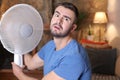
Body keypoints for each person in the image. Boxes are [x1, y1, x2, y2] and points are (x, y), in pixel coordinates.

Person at [12, 2, 91, 80]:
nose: (59, 21)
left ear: (73, 28)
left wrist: (19, 74)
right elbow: (30, 63)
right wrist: (17, 42)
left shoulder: (74, 57)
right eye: (57, 15)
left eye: (66, 19)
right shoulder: (51, 46)